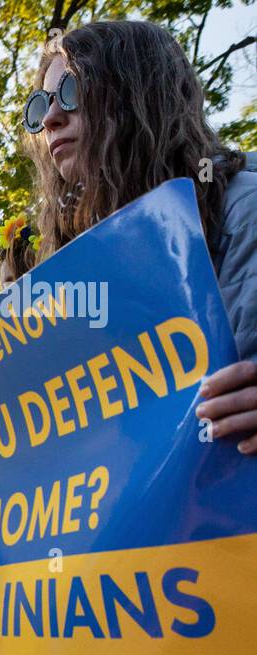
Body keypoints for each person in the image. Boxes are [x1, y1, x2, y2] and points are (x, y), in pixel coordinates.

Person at [25, 20, 256, 449]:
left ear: (136, 95)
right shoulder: (84, 262)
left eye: (73, 91)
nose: (52, 119)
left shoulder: (244, 211)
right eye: (40, 105)